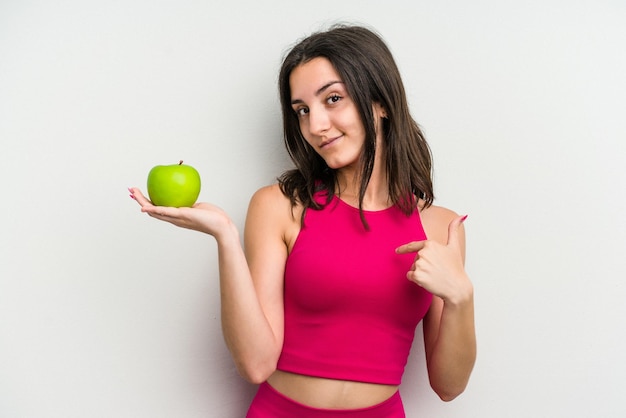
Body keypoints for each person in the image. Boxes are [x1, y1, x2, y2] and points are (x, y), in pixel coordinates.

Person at [130, 24, 476, 417]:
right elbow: (255, 364)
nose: (315, 126)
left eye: (333, 99)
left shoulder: (440, 229)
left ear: (381, 102)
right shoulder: (278, 206)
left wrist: (461, 297)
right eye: (302, 111)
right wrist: (225, 236)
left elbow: (448, 386)